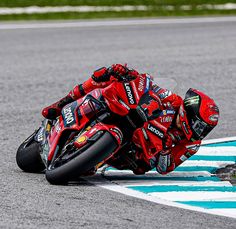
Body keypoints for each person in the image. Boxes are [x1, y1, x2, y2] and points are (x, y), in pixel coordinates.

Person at [42, 64, 219, 175]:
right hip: (132, 117)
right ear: (189, 111)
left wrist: (160, 155)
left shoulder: (191, 144)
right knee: (106, 76)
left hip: (136, 154)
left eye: (205, 129)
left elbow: (166, 167)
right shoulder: (173, 100)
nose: (199, 132)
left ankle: (92, 159)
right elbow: (148, 85)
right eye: (199, 125)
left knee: (137, 167)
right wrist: (131, 75)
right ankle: (61, 104)